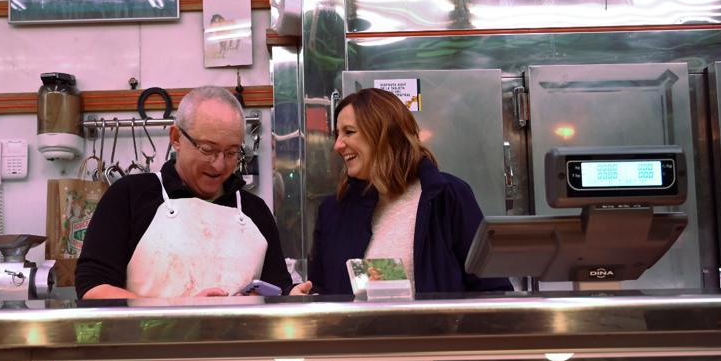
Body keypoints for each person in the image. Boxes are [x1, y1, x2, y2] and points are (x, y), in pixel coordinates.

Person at [75, 85, 310, 299]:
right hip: (148, 344)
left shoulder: (255, 211)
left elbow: (276, 290)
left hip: (236, 344)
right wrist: (180, 311)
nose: (219, 165)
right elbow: (93, 287)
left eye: (231, 153)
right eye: (208, 150)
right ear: (176, 138)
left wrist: (291, 297)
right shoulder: (129, 196)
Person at [307, 87, 512, 296]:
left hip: (437, 329)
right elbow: (321, 290)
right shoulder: (332, 211)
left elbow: (493, 290)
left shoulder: (447, 196)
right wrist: (304, 296)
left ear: (383, 134)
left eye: (349, 132)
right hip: (355, 330)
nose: (338, 145)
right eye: (337, 134)